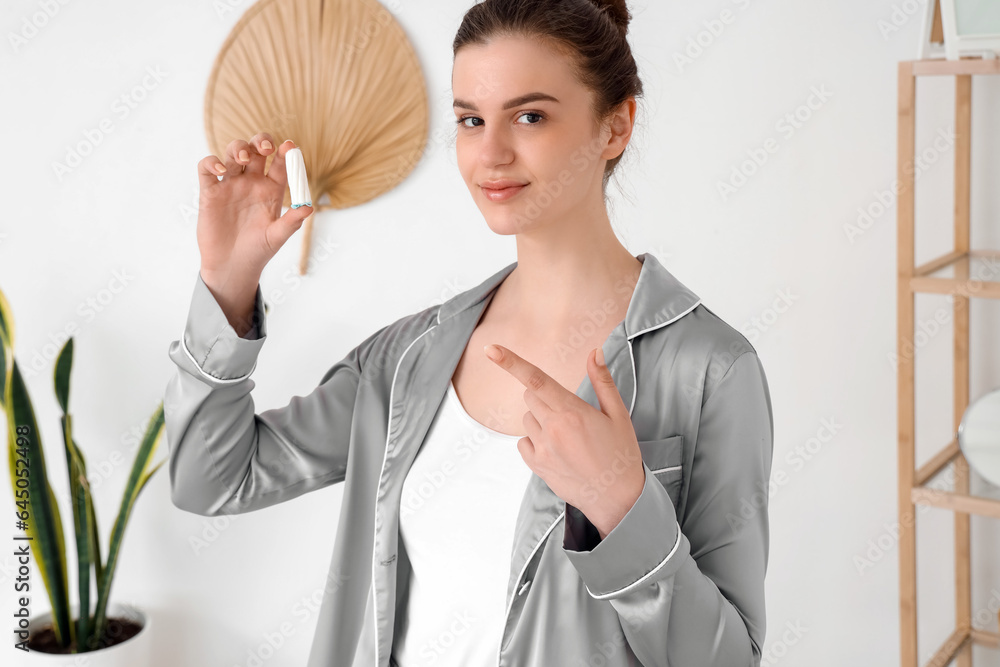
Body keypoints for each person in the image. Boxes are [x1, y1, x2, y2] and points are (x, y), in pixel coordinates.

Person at [164, 0, 774, 665]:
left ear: (616, 124)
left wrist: (626, 508)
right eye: (470, 120)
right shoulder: (407, 358)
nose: (490, 153)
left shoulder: (711, 370)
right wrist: (227, 285)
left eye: (530, 116)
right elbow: (211, 479)